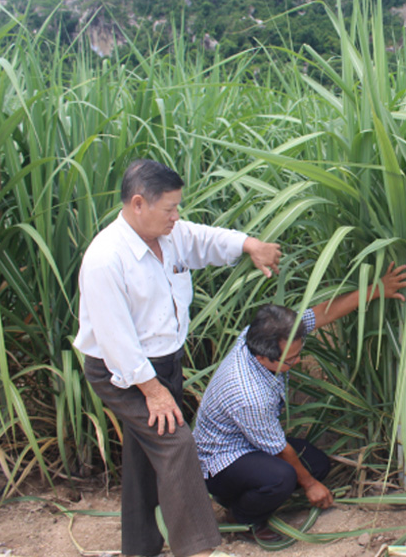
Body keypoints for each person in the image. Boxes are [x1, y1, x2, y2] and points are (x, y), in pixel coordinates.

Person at [74, 159, 282, 557]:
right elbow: (116, 340)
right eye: (169, 208)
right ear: (138, 204)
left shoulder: (169, 235)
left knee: (144, 454)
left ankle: (140, 547)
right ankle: (199, 547)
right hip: (122, 374)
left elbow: (204, 240)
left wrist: (249, 245)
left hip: (164, 362)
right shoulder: (106, 259)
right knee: (176, 444)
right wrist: (152, 391)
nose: (177, 216)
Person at [193, 263, 406, 542]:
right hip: (220, 460)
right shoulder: (248, 394)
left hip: (250, 443)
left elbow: (321, 313)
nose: (297, 361)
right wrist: (310, 486)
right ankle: (242, 517)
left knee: (316, 463)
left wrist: (376, 289)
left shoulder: (268, 334)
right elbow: (280, 449)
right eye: (291, 360)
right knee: (285, 477)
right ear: (263, 358)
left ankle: (254, 494)